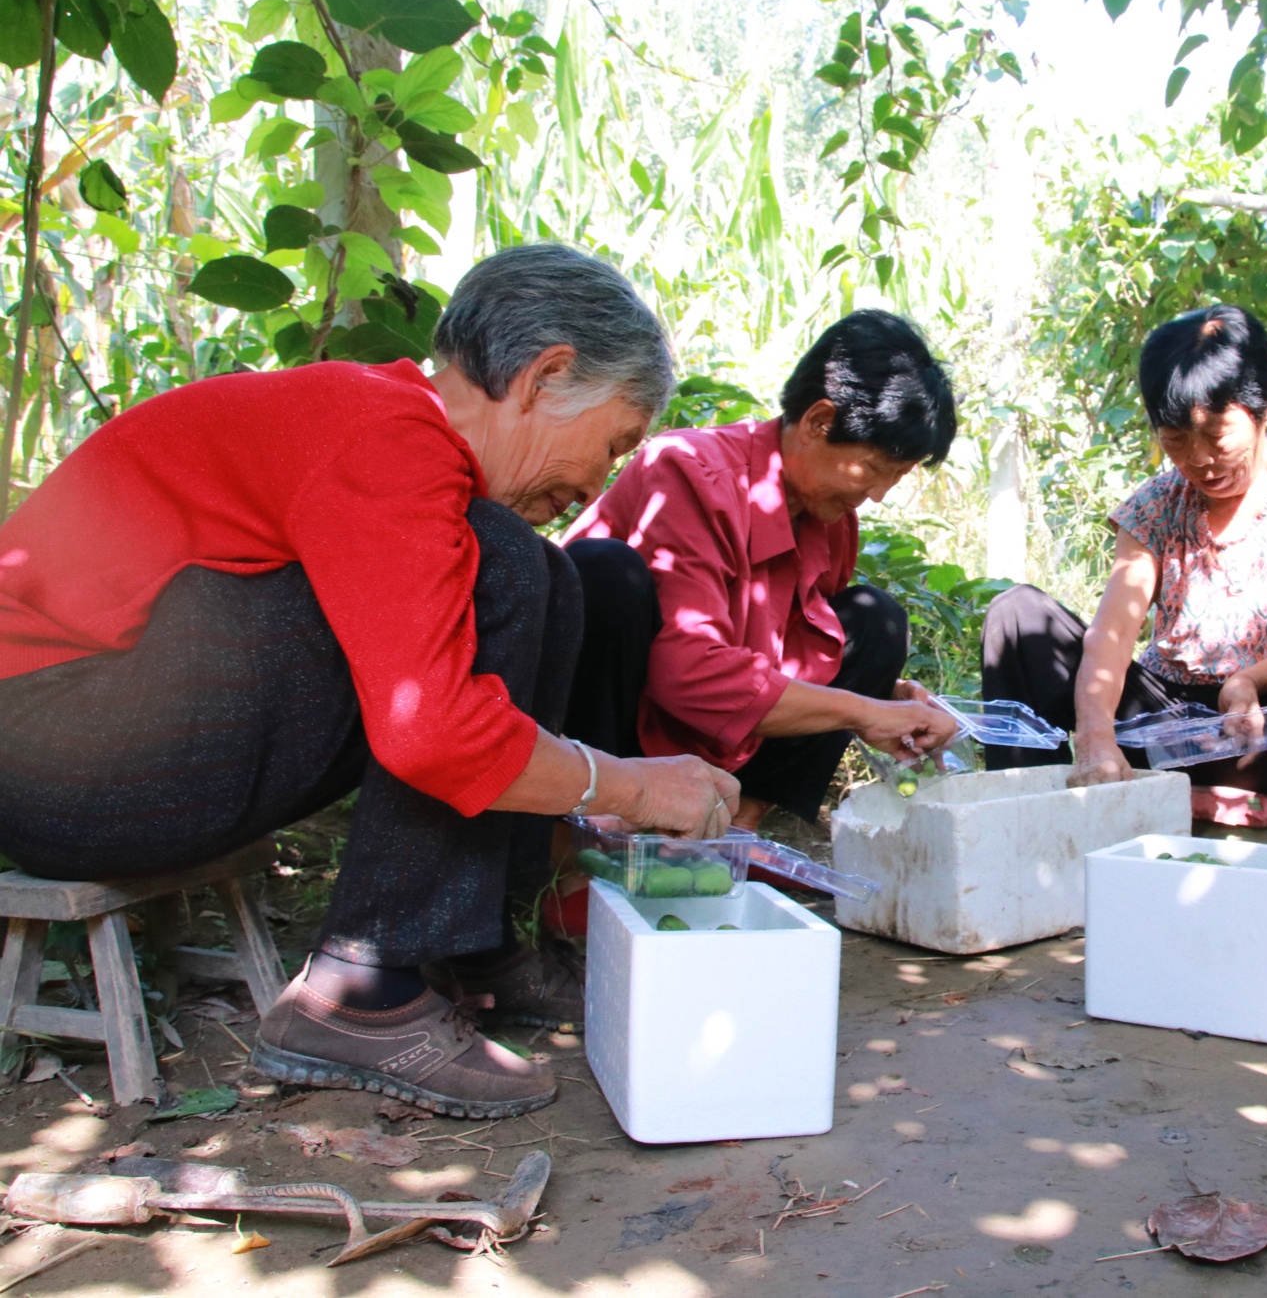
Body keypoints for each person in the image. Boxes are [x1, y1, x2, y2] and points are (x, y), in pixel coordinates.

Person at [0, 244, 741, 1118]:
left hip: (104, 738)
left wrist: (582, 782)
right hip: (52, 761)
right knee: (498, 565)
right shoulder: (385, 434)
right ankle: (365, 986)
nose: (597, 480)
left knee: (545, 573)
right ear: (546, 377)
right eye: (612, 443)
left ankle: (472, 949)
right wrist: (630, 783)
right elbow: (428, 726)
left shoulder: (394, 430)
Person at [983, 305, 1267, 845]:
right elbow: (1113, 631)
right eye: (1176, 439)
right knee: (1017, 617)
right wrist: (1097, 735)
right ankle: (1025, 827)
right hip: (1173, 731)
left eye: (1217, 435)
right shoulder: (1156, 505)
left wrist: (1251, 679)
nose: (1200, 460)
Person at [561, 310, 961, 832]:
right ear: (819, 422)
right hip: (623, 720)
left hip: (722, 731)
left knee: (873, 619)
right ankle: (579, 837)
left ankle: (737, 826)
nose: (878, 494)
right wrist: (861, 713)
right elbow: (687, 672)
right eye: (874, 469)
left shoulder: (830, 517)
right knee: (604, 572)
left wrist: (883, 698)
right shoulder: (687, 470)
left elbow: (797, 645)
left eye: (896, 477)